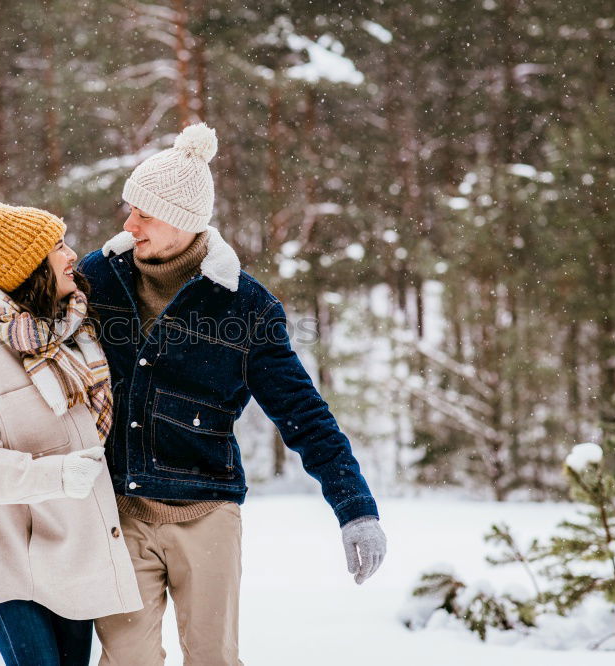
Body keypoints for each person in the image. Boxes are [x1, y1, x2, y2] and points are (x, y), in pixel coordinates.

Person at [77, 123, 388, 665]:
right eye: (129, 209)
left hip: (207, 512)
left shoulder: (245, 308)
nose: (129, 224)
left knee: (214, 659)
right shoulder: (98, 278)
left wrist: (355, 507)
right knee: (126, 661)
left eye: (143, 213)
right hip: (118, 512)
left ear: (183, 220)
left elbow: (304, 414)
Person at [0, 203, 142, 666]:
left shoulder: (80, 339)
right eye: (58, 247)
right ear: (31, 267)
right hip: (7, 560)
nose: (73, 255)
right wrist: (54, 474)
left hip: (72, 555)